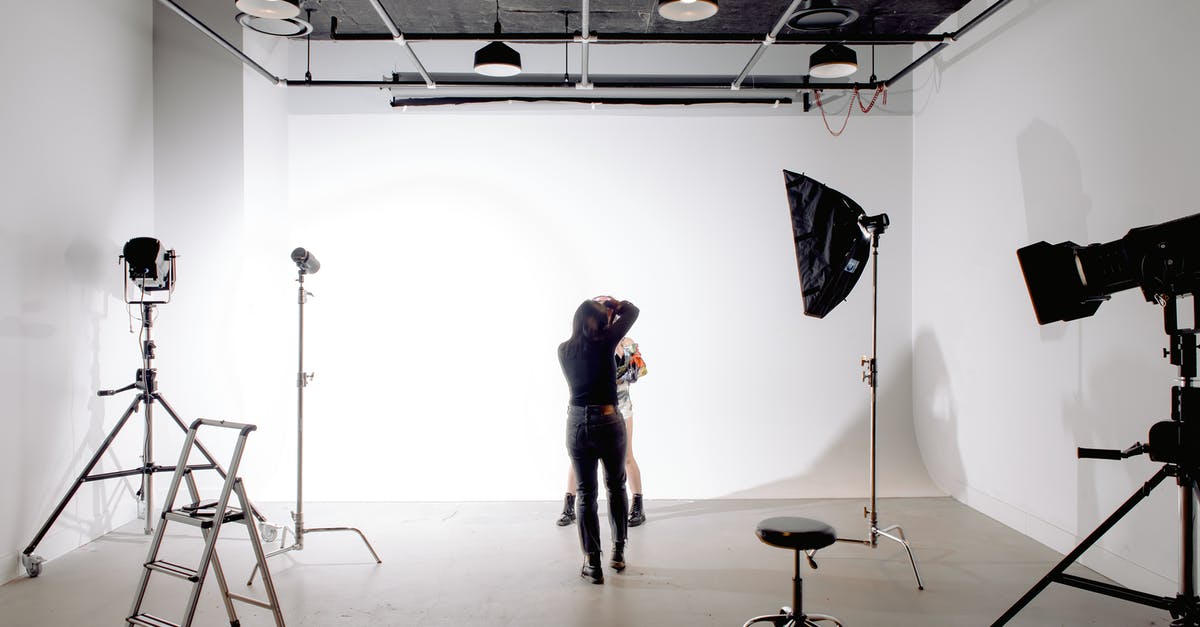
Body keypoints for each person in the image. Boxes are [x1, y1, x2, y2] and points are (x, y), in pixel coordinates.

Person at [558, 296, 639, 583]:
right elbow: (633, 311)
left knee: (586, 493)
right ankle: (617, 553)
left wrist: (601, 310)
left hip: (578, 422)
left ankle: (592, 564)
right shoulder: (606, 342)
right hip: (609, 420)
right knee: (616, 487)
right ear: (601, 322)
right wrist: (614, 304)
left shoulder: (563, 350)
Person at [556, 336, 648, 527]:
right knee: (578, 459)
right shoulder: (590, 343)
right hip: (591, 408)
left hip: (621, 407)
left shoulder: (627, 343)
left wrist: (624, 355)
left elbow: (638, 373)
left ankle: (638, 505)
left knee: (627, 457)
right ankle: (569, 506)